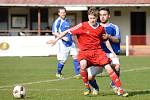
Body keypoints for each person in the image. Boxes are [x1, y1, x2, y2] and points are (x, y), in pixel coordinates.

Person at [47, 7, 128, 97]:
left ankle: (120, 89)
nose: (92, 20)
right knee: (83, 65)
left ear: (96, 18)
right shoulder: (82, 25)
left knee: (109, 67)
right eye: (90, 18)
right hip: (85, 52)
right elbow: (67, 31)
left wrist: (112, 52)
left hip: (98, 52)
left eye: (93, 18)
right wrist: (56, 40)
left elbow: (105, 41)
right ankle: (88, 87)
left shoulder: (101, 28)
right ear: (88, 17)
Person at [87, 7, 124, 95]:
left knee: (117, 67)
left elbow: (117, 40)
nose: (102, 17)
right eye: (100, 15)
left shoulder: (114, 27)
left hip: (111, 53)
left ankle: (113, 84)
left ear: (109, 16)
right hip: (98, 54)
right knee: (90, 77)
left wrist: (108, 36)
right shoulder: (95, 26)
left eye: (104, 15)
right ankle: (95, 88)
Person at [51, 7, 80, 79]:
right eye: (62, 12)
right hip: (62, 43)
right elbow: (54, 32)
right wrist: (63, 38)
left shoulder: (67, 20)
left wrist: (73, 39)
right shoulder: (57, 21)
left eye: (64, 12)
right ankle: (58, 73)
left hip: (70, 42)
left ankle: (78, 74)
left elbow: (69, 31)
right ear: (59, 13)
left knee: (75, 56)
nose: (63, 14)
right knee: (63, 60)